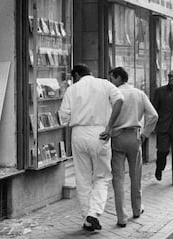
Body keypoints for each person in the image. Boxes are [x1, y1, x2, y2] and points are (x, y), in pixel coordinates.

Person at [59, 64, 124, 231]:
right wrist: (110, 126)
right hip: (100, 132)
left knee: (83, 178)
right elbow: (120, 100)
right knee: (102, 176)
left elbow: (64, 117)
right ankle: (94, 213)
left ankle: (87, 217)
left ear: (76, 75)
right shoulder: (104, 84)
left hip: (78, 133)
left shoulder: (72, 89)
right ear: (90, 73)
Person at [100, 67, 158, 227]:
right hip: (134, 136)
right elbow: (153, 115)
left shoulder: (113, 94)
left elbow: (105, 117)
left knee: (118, 179)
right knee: (136, 176)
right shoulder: (139, 93)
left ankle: (121, 218)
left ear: (118, 78)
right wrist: (145, 134)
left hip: (117, 137)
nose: (110, 81)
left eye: (112, 78)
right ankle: (137, 209)